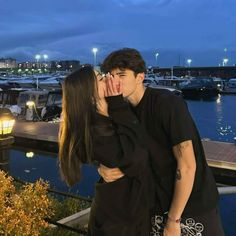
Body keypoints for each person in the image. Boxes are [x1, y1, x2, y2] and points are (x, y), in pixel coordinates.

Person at [99, 48, 225, 236]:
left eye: (121, 75)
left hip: (191, 207)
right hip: (155, 207)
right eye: (111, 75)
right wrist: (102, 168)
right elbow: (121, 153)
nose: (114, 81)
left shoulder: (167, 104)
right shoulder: (120, 111)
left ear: (140, 77)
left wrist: (174, 219)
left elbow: (188, 165)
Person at [58, 64, 155, 236]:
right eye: (101, 78)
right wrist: (118, 104)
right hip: (118, 220)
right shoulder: (93, 131)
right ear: (89, 95)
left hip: (126, 212)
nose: (109, 79)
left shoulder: (111, 112)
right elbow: (138, 158)